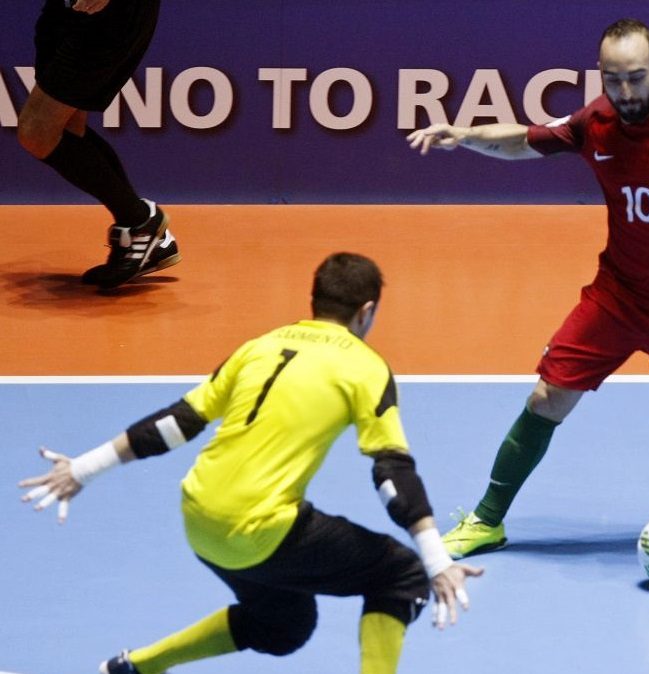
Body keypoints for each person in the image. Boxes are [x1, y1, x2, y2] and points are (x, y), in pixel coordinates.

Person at [407, 18, 649, 559]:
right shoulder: (596, 121)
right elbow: (524, 141)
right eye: (613, 80)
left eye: (635, 78)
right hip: (618, 294)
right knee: (546, 397)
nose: (625, 92)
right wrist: (464, 135)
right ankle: (487, 521)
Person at [19, 252, 483, 674]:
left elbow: (176, 423)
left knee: (283, 626)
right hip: (259, 529)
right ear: (366, 312)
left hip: (199, 518)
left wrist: (82, 469)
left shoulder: (259, 346)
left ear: (314, 301)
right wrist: (437, 560)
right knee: (401, 574)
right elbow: (391, 472)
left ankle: (132, 669)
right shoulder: (365, 367)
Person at [17, 0, 179, 289]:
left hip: (111, 13)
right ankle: (140, 231)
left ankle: (142, 221)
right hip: (63, 9)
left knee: (37, 132)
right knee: (68, 127)